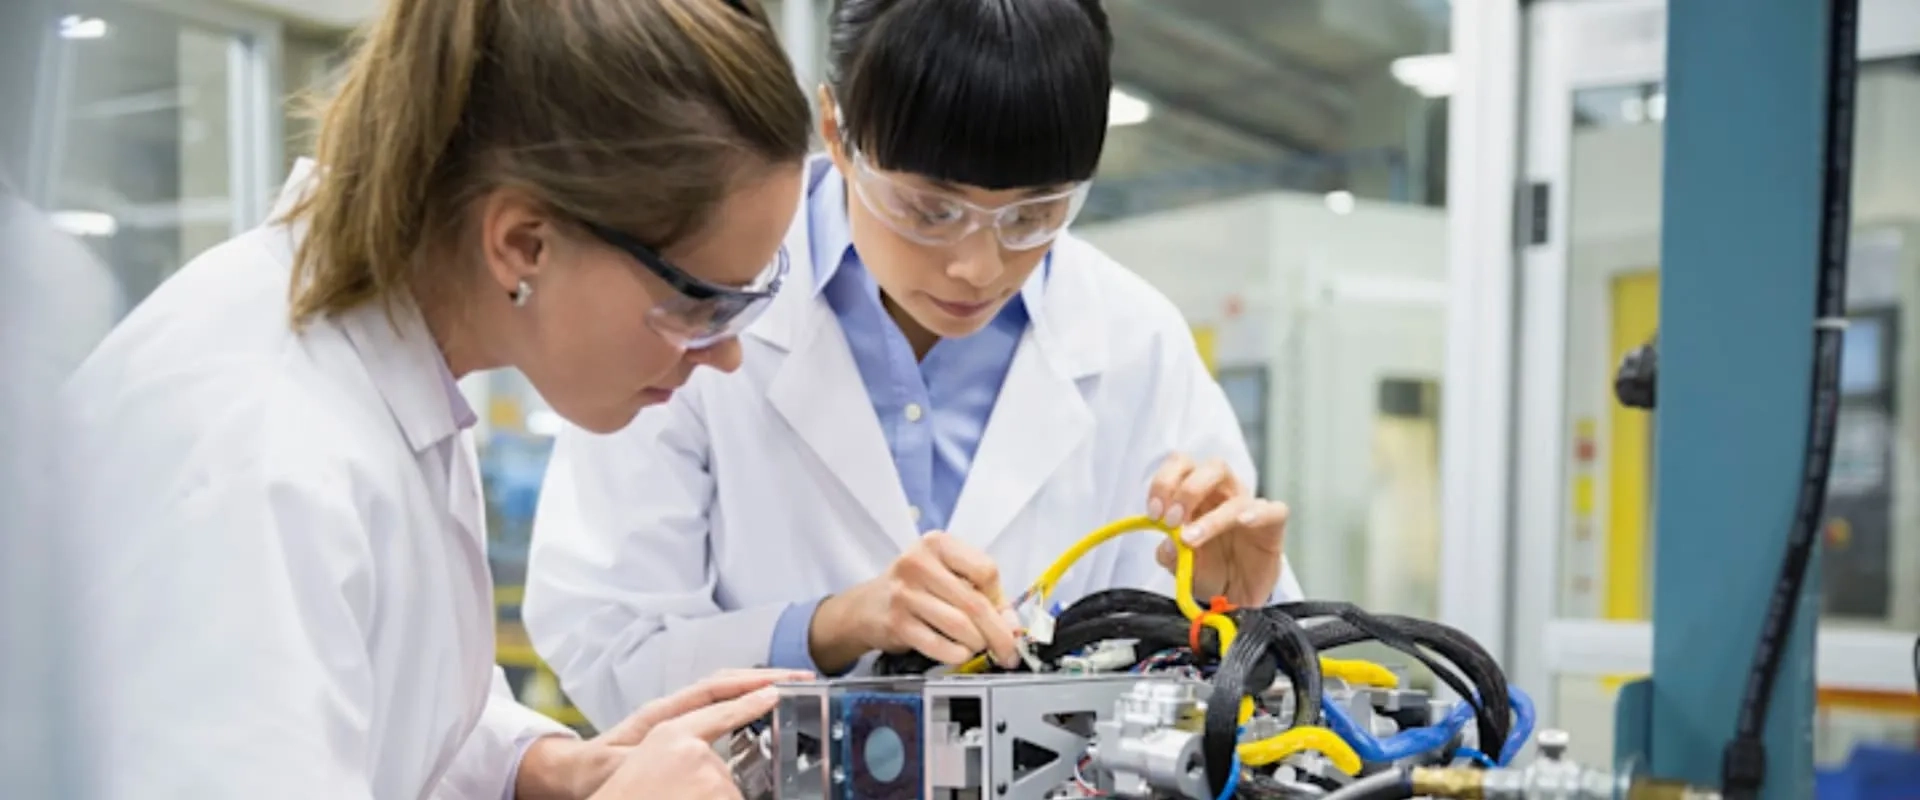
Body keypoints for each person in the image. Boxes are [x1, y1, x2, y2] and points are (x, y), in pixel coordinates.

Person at [52, 0, 816, 797]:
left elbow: (387, 700)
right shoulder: (257, 451)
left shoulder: (390, 372)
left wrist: (537, 766)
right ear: (522, 243)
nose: (725, 352)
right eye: (700, 303)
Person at [523, 0, 1304, 729]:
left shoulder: (1138, 342)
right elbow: (603, 637)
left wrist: (1222, 607)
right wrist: (834, 627)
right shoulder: (705, 301)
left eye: (1034, 214)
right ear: (835, 128)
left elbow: (1220, 707)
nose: (978, 264)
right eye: (932, 209)